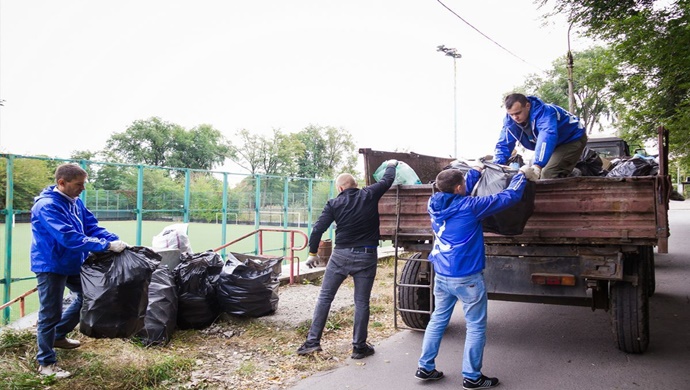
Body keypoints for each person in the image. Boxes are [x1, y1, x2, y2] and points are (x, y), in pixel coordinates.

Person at [414, 164, 534, 389]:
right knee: (476, 326)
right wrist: (520, 176)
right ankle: (472, 376)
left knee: (438, 319)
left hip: (442, 274)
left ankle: (425, 367)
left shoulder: (433, 203)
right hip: (467, 277)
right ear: (459, 187)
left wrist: (475, 172)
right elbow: (508, 197)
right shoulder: (471, 206)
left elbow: (458, 191)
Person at [31, 163, 128, 378]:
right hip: (51, 265)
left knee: (88, 296)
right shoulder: (47, 206)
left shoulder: (75, 202)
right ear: (62, 183)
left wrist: (113, 239)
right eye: (79, 184)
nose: (82, 188)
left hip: (74, 262)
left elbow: (91, 227)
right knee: (50, 312)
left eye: (84, 184)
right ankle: (46, 364)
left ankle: (58, 335)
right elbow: (68, 237)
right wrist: (105, 246)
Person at [297, 159, 398, 359]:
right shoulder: (369, 194)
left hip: (340, 256)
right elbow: (388, 180)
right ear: (354, 185)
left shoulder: (334, 203)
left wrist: (312, 253)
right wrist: (391, 164)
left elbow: (318, 228)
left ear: (341, 188)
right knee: (362, 302)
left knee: (325, 297)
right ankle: (359, 347)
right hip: (367, 255)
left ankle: (312, 342)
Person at [494, 93, 587, 179]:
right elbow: (503, 144)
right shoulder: (509, 123)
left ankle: (568, 175)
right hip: (553, 144)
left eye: (518, 113)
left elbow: (546, 137)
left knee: (548, 173)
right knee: (531, 175)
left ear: (528, 106)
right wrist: (496, 166)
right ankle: (569, 171)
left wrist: (537, 165)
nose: (515, 117)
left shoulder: (545, 113)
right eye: (511, 114)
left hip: (571, 139)